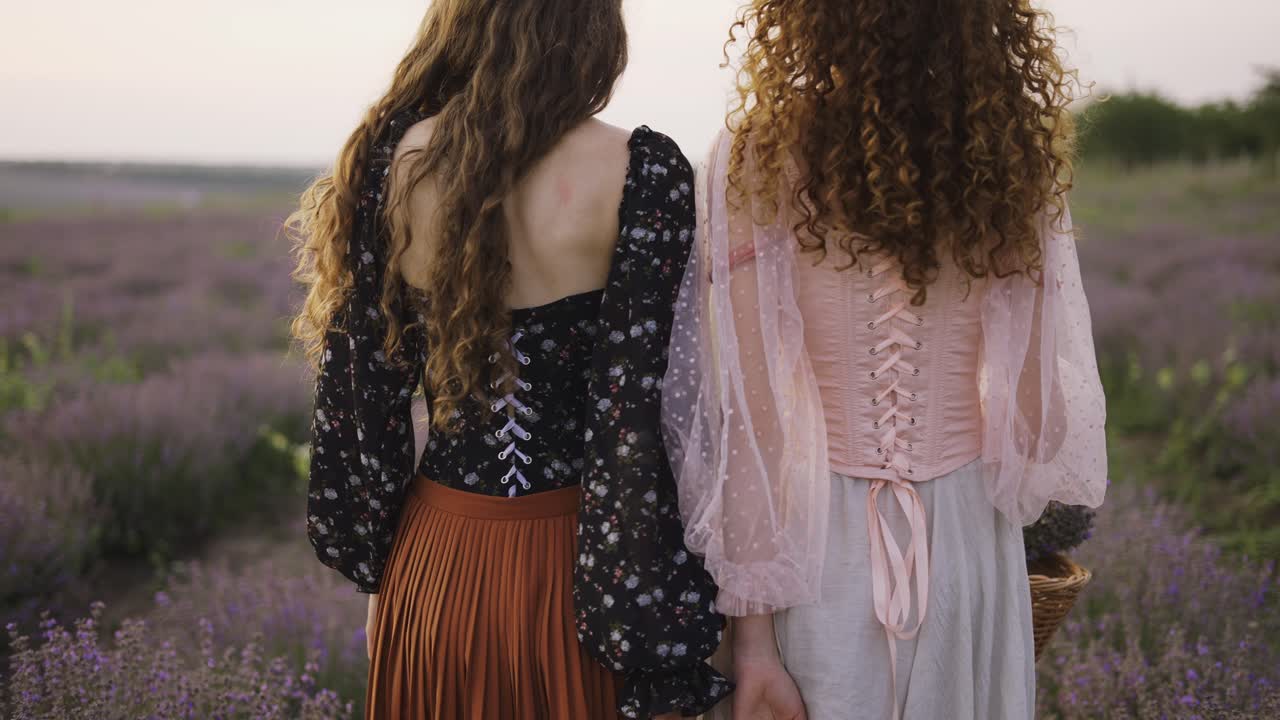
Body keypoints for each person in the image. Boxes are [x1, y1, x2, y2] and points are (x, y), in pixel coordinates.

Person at [663, 1, 1108, 719]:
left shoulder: (757, 154)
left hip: (816, 553)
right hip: (967, 546)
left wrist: (752, 649)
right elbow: (1042, 428)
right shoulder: (1012, 156)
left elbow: (748, 425)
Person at [288, 1, 731, 718]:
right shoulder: (644, 171)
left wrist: (381, 582)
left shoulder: (392, 164)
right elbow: (654, 418)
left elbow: (361, 417)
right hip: (596, 576)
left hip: (435, 565)